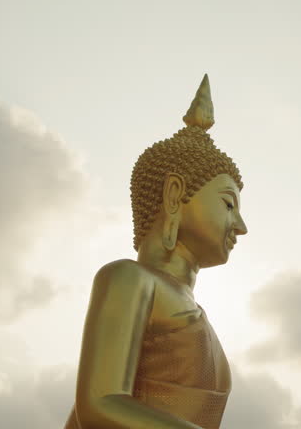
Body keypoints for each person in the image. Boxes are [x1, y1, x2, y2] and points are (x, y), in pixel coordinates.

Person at [64, 75, 247, 429]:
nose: (240, 225)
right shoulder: (129, 279)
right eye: (228, 204)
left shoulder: (193, 310)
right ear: (175, 194)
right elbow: (98, 404)